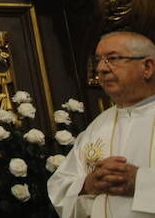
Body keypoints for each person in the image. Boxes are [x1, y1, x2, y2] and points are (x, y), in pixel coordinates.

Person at [48, 31, 155, 217]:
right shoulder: (98, 126)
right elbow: (60, 188)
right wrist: (88, 185)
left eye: (112, 58)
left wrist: (141, 181)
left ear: (147, 67)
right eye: (98, 60)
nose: (100, 69)